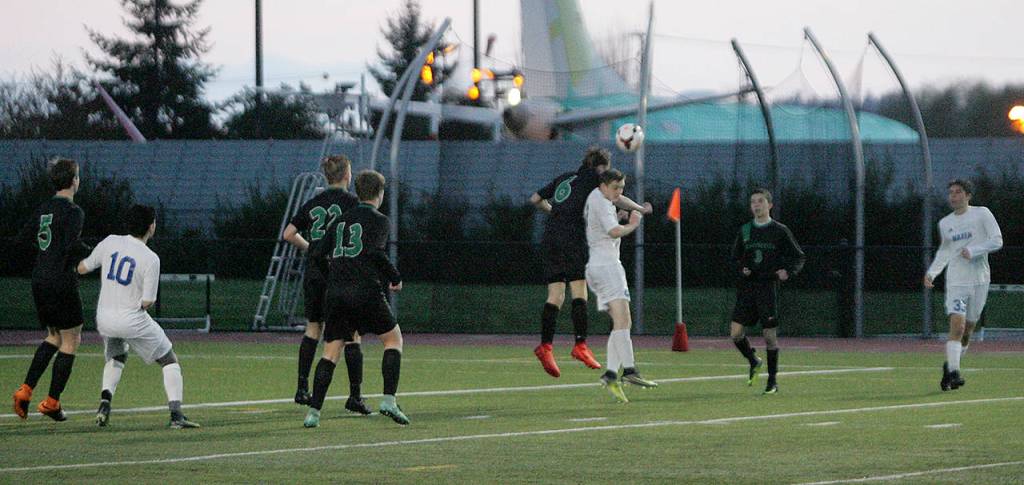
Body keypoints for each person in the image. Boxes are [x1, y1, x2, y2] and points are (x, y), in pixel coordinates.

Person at [529, 147, 651, 378]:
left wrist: (555, 211)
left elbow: (535, 199)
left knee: (555, 295)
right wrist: (639, 208)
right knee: (579, 292)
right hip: (572, 240)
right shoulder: (595, 179)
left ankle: (545, 346)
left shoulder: (565, 177)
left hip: (550, 238)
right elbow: (617, 197)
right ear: (601, 168)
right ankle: (580, 345)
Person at [77, 205, 199, 428]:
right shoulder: (150, 258)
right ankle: (176, 415)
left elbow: (83, 267)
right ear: (151, 226)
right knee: (169, 360)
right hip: (131, 318)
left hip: (104, 317)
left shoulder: (111, 241)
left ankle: (105, 403)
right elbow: (148, 301)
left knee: (116, 356)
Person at [304, 170, 408, 427]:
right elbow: (375, 253)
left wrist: (333, 278)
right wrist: (394, 277)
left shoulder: (340, 220)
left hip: (336, 293)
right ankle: (389, 400)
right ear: (379, 194)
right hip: (365, 290)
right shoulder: (380, 220)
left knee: (330, 352)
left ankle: (313, 413)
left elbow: (317, 255)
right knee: (393, 339)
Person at [282, 155, 369, 414]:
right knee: (352, 334)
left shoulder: (313, 202)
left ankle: (301, 388)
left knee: (313, 329)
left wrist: (312, 249)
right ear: (346, 175)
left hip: (315, 273)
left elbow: (288, 234)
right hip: (341, 274)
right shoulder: (353, 203)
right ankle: (355, 395)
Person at [12, 158, 91, 422]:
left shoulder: (43, 208)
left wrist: (46, 255)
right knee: (72, 339)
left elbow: (23, 240)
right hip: (61, 279)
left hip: (40, 279)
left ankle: (25, 390)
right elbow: (71, 245)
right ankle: (52, 402)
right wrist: (93, 255)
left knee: (54, 336)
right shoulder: (74, 211)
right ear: (74, 180)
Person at [584, 170, 659, 403]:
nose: (619, 192)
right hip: (607, 268)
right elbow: (614, 231)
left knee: (620, 323)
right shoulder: (601, 203)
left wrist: (638, 207)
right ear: (604, 185)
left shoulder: (601, 198)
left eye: (622, 187)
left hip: (598, 267)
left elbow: (619, 202)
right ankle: (629, 371)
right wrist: (633, 223)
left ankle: (610, 374)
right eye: (616, 187)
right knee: (624, 320)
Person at [924, 179, 1002, 391]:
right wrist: (932, 272)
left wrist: (974, 250)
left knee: (968, 330)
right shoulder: (945, 223)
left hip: (980, 281)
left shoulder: (982, 214)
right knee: (957, 326)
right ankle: (955, 373)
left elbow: (997, 240)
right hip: (957, 281)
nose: (953, 196)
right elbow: (945, 252)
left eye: (958, 192)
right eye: (950, 192)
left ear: (968, 195)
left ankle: (949, 366)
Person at [729, 188, 805, 395]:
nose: (756, 205)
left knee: (769, 336)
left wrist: (787, 272)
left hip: (767, 288)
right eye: (753, 202)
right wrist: (741, 268)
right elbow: (735, 258)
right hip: (747, 288)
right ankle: (753, 360)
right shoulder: (745, 230)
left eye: (760, 201)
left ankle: (772, 381)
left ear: (769, 205)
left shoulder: (779, 230)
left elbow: (798, 256)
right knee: (735, 333)